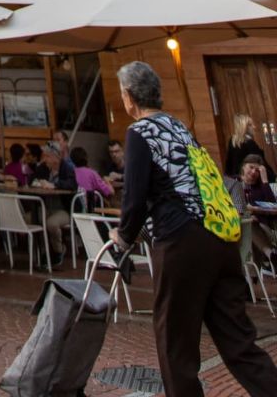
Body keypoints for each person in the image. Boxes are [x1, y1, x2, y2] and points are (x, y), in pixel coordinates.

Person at [111, 59, 277, 397]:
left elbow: (135, 195)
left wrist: (123, 236)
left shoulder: (139, 132)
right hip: (220, 240)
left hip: (180, 243)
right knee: (238, 341)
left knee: (176, 344)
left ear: (129, 97)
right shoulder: (180, 127)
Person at [225, 114, 261, 179]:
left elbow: (228, 164)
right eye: (250, 125)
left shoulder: (232, 141)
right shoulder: (250, 143)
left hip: (236, 179)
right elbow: (260, 163)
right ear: (244, 127)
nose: (254, 127)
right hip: (250, 179)